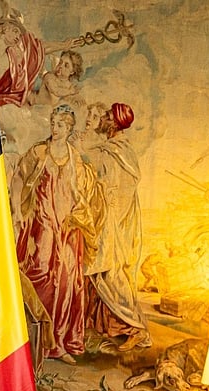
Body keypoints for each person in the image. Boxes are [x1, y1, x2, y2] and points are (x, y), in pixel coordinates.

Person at [11, 104, 105, 363]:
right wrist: (18, 210)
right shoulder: (39, 152)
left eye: (60, 125)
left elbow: (84, 194)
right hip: (41, 225)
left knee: (66, 281)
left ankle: (60, 342)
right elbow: (18, 179)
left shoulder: (75, 159)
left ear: (69, 128)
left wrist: (78, 217)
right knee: (40, 274)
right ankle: (34, 339)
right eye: (53, 123)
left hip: (68, 229)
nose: (55, 128)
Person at [85, 102, 152, 353]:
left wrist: (105, 214)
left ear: (113, 123)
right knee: (101, 273)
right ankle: (108, 328)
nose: (102, 119)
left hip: (113, 220)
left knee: (111, 275)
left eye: (105, 116)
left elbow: (116, 189)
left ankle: (135, 328)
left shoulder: (117, 152)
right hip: (108, 217)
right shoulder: (112, 149)